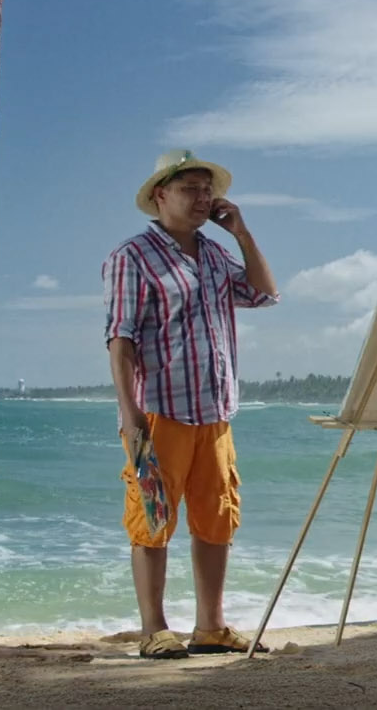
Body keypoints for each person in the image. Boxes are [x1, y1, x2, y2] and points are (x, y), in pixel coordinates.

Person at [103, 149, 280, 658]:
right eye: (190, 189)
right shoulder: (132, 256)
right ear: (161, 195)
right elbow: (120, 338)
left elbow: (264, 294)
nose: (203, 198)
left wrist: (242, 233)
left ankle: (211, 627)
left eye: (208, 190)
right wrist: (130, 414)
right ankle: (154, 630)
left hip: (215, 410)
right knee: (152, 517)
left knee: (218, 517)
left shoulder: (215, 254)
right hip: (159, 410)